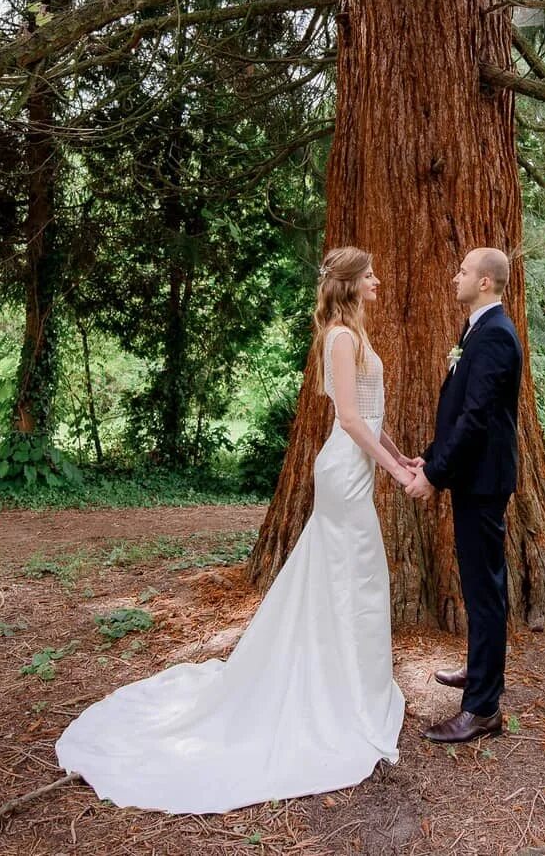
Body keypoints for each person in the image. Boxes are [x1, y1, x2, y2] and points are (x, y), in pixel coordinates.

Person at [55, 246, 419, 813]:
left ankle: (348, 682)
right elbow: (347, 420)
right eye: (369, 274)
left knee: (353, 575)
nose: (377, 280)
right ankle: (336, 691)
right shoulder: (341, 340)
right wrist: (395, 471)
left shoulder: (358, 334)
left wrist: (403, 456)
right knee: (353, 574)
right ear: (348, 284)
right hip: (344, 473)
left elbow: (371, 415)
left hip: (359, 469)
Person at [402, 246, 521, 744]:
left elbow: (475, 421)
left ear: (487, 283)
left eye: (464, 272)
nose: (456, 277)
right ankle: (480, 675)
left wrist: (435, 476)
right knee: (478, 586)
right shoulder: (477, 329)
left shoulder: (494, 337)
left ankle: (483, 709)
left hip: (482, 480)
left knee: (484, 591)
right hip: (470, 476)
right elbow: (458, 409)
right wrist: (429, 458)